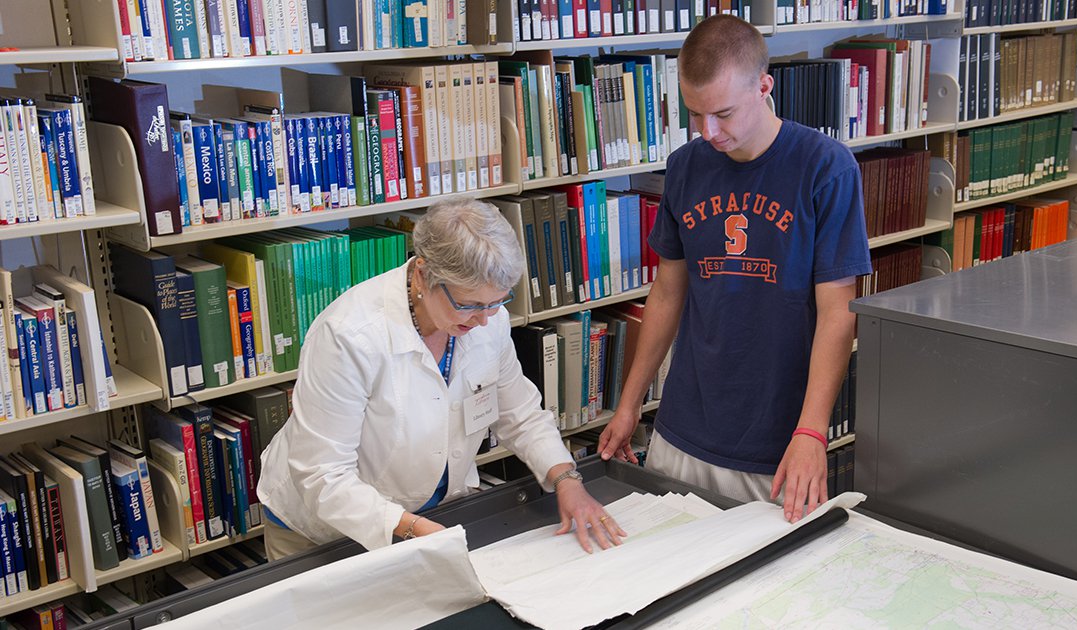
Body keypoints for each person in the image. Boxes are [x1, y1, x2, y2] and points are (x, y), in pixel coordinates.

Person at [598, 15, 872, 523]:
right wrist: (630, 403)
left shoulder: (826, 167)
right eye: (695, 114)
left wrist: (812, 432)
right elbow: (666, 294)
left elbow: (839, 313)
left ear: (764, 86)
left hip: (776, 441)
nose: (709, 132)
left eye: (722, 113)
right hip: (683, 426)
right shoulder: (685, 166)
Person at [257, 198, 625, 561]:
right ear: (422, 274)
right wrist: (412, 528)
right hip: (325, 528)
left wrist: (565, 479)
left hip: (432, 511)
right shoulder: (349, 335)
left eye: (496, 302)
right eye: (468, 305)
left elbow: (520, 414)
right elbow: (323, 473)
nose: (483, 320)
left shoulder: (485, 319)